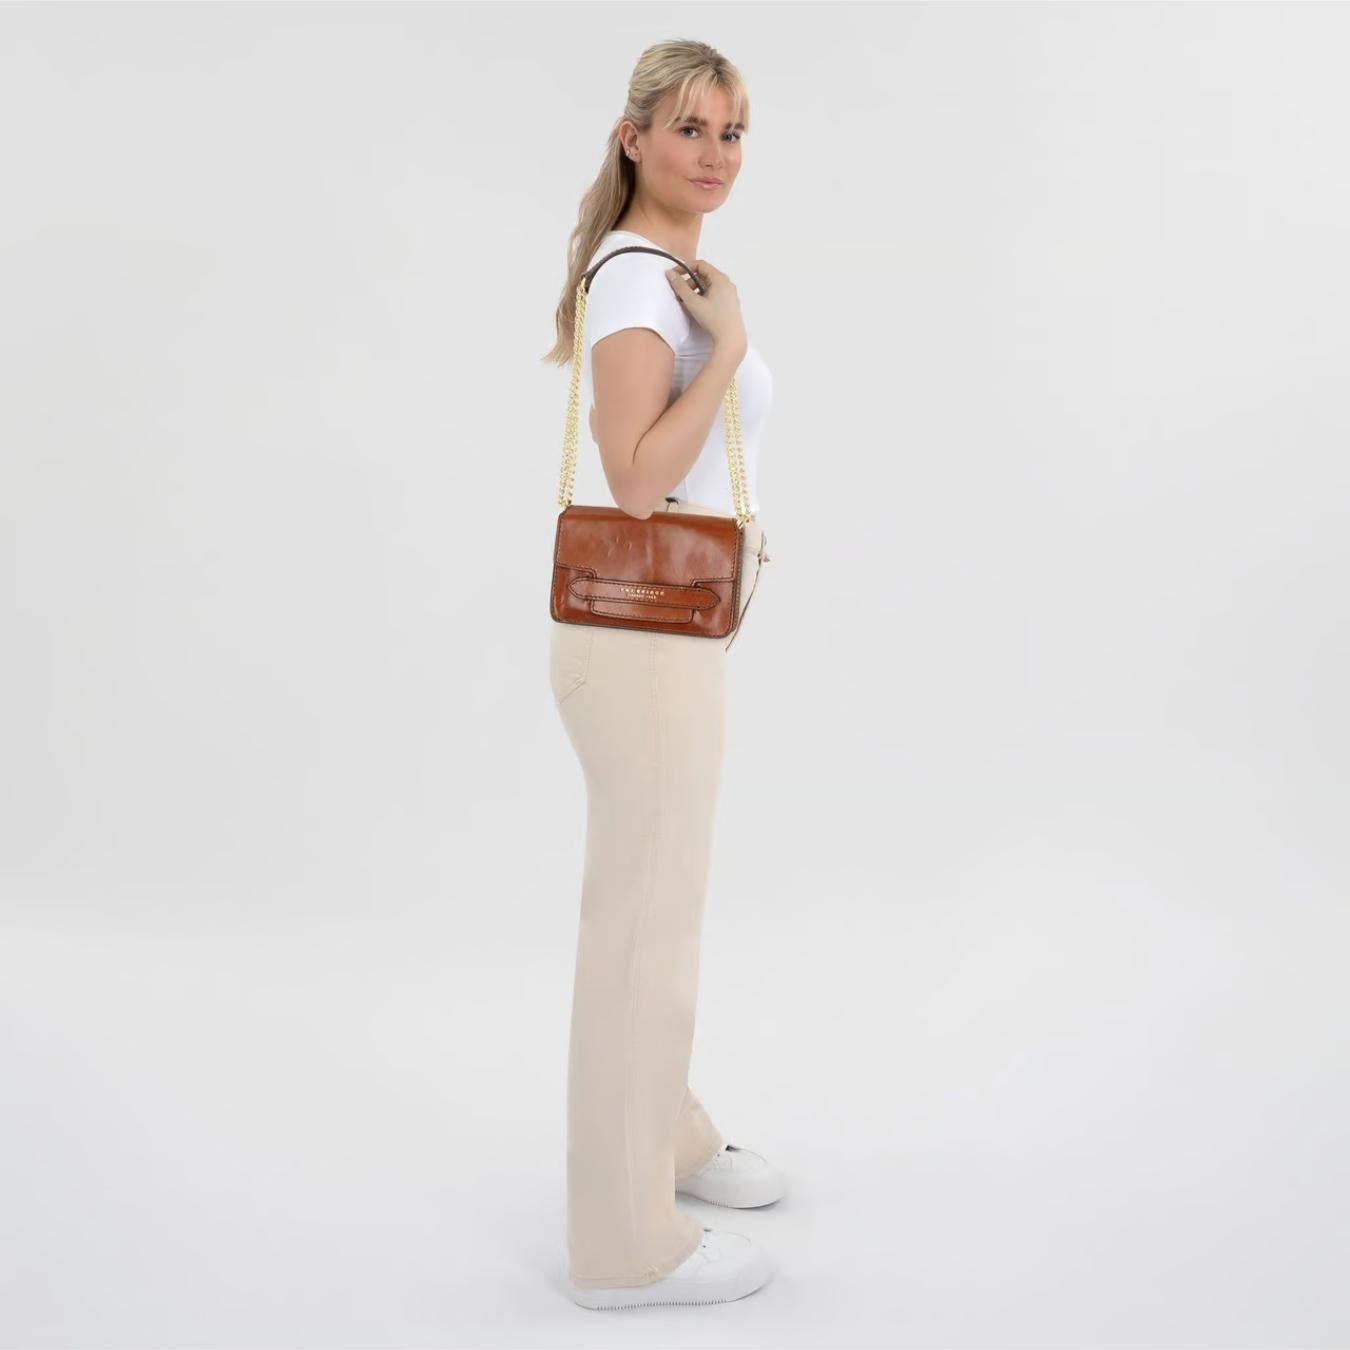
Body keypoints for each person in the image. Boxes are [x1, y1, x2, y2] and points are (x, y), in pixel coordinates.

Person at [542, 40, 784, 1310]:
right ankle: (625, 1246)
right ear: (633, 138)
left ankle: (669, 1137)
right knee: (643, 931)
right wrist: (728, 345)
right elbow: (637, 481)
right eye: (690, 128)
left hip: (660, 643)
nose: (715, 154)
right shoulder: (645, 283)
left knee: (657, 913)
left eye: (733, 132)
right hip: (642, 648)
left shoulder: (657, 271)